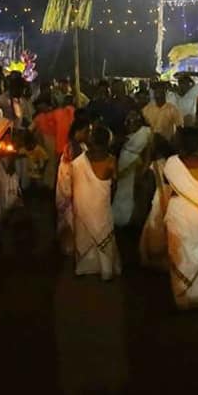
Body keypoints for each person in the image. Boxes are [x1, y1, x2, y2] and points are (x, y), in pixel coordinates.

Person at [164, 127, 198, 308]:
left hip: (180, 212)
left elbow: (168, 182)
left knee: (180, 252)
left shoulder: (172, 163)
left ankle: (183, 295)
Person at [72, 127, 121, 280]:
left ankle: (84, 268)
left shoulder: (80, 159)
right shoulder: (111, 159)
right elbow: (114, 185)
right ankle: (105, 271)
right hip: (101, 204)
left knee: (85, 232)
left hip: (82, 204)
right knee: (102, 232)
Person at [56, 117, 90, 256]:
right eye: (86, 131)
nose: (88, 134)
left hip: (72, 187)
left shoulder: (79, 145)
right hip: (70, 188)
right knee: (71, 219)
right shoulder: (72, 147)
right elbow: (73, 170)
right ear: (78, 131)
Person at [139, 139, 174, 270]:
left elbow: (146, 183)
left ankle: (153, 259)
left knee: (155, 227)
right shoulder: (172, 162)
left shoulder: (154, 165)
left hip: (158, 199)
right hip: (171, 199)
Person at [112, 111, 151, 227]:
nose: (129, 123)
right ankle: (119, 217)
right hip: (124, 162)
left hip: (136, 165)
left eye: (133, 120)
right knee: (122, 190)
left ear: (139, 120)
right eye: (128, 121)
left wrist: (144, 168)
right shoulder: (123, 135)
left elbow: (148, 153)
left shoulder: (146, 132)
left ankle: (132, 220)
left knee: (134, 192)